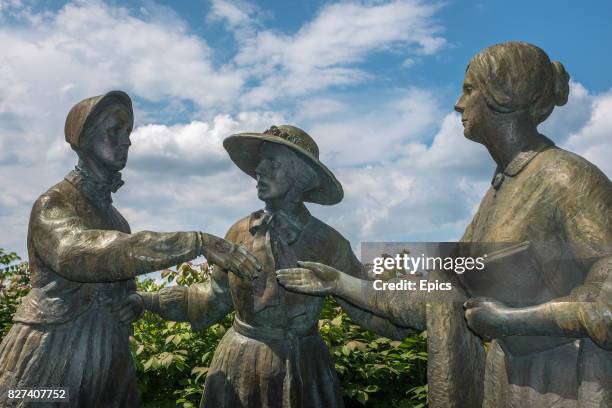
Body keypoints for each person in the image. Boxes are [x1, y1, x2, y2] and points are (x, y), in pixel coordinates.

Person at [277, 42, 612, 407]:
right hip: (510, 383)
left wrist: (514, 321)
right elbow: (444, 289)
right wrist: (340, 282)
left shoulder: (566, 177)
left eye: (469, 90)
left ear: (505, 95)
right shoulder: (502, 188)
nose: (458, 103)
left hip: (568, 384)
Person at [0, 91, 259, 408]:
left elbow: (120, 273)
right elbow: (78, 253)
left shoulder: (116, 219)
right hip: (54, 349)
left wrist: (133, 302)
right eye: (115, 131)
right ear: (84, 137)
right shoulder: (53, 203)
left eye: (128, 132)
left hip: (109, 351)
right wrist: (196, 241)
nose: (127, 142)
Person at [140, 125, 409, 408]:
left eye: (272, 162)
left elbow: (365, 304)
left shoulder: (329, 242)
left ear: (302, 176)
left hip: (304, 368)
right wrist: (147, 301)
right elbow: (212, 297)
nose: (259, 170)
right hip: (240, 363)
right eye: (259, 162)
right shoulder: (239, 233)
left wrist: (419, 315)